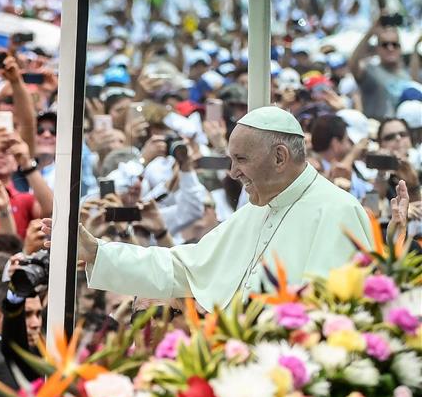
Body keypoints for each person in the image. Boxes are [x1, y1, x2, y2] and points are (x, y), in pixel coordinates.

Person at [61, 106, 375, 313]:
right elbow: (183, 267)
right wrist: (98, 252)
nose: (232, 173)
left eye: (241, 160)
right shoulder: (258, 208)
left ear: (280, 158)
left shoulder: (338, 212)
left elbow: (334, 315)